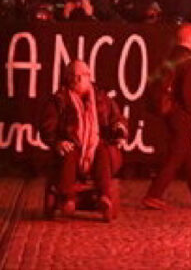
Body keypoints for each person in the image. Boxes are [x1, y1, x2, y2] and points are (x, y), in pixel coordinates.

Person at [40, 60, 129, 222]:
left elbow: (118, 118)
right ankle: (68, 198)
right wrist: (57, 142)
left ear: (89, 77)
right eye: (73, 76)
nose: (77, 79)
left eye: (81, 76)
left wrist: (119, 129)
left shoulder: (102, 98)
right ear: (67, 78)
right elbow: (47, 127)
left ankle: (104, 197)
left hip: (94, 147)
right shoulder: (59, 100)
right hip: (72, 147)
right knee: (69, 151)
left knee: (103, 151)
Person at [143, 23, 191, 209]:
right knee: (176, 154)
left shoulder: (170, 57)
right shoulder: (189, 61)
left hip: (168, 111)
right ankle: (154, 194)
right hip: (181, 113)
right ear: (189, 38)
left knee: (185, 151)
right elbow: (187, 91)